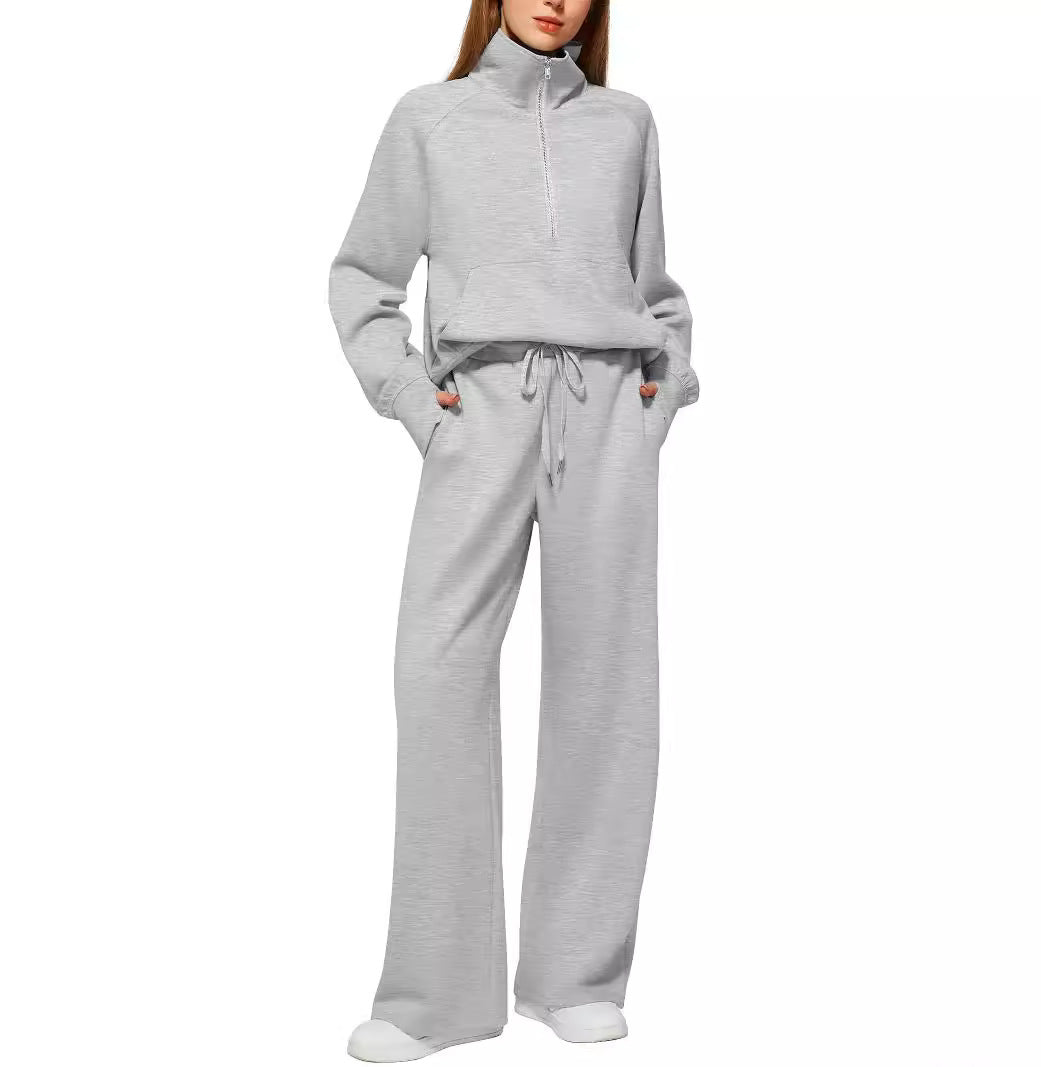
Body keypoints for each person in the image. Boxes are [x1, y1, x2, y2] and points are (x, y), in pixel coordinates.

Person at [328, 0, 698, 1060]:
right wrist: (411, 399)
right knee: (436, 673)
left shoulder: (625, 122)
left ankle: (573, 975)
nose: (556, 0)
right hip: (478, 408)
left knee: (604, 686)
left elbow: (654, 288)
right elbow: (361, 277)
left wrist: (660, 390)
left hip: (606, 407)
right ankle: (431, 998)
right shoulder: (429, 117)